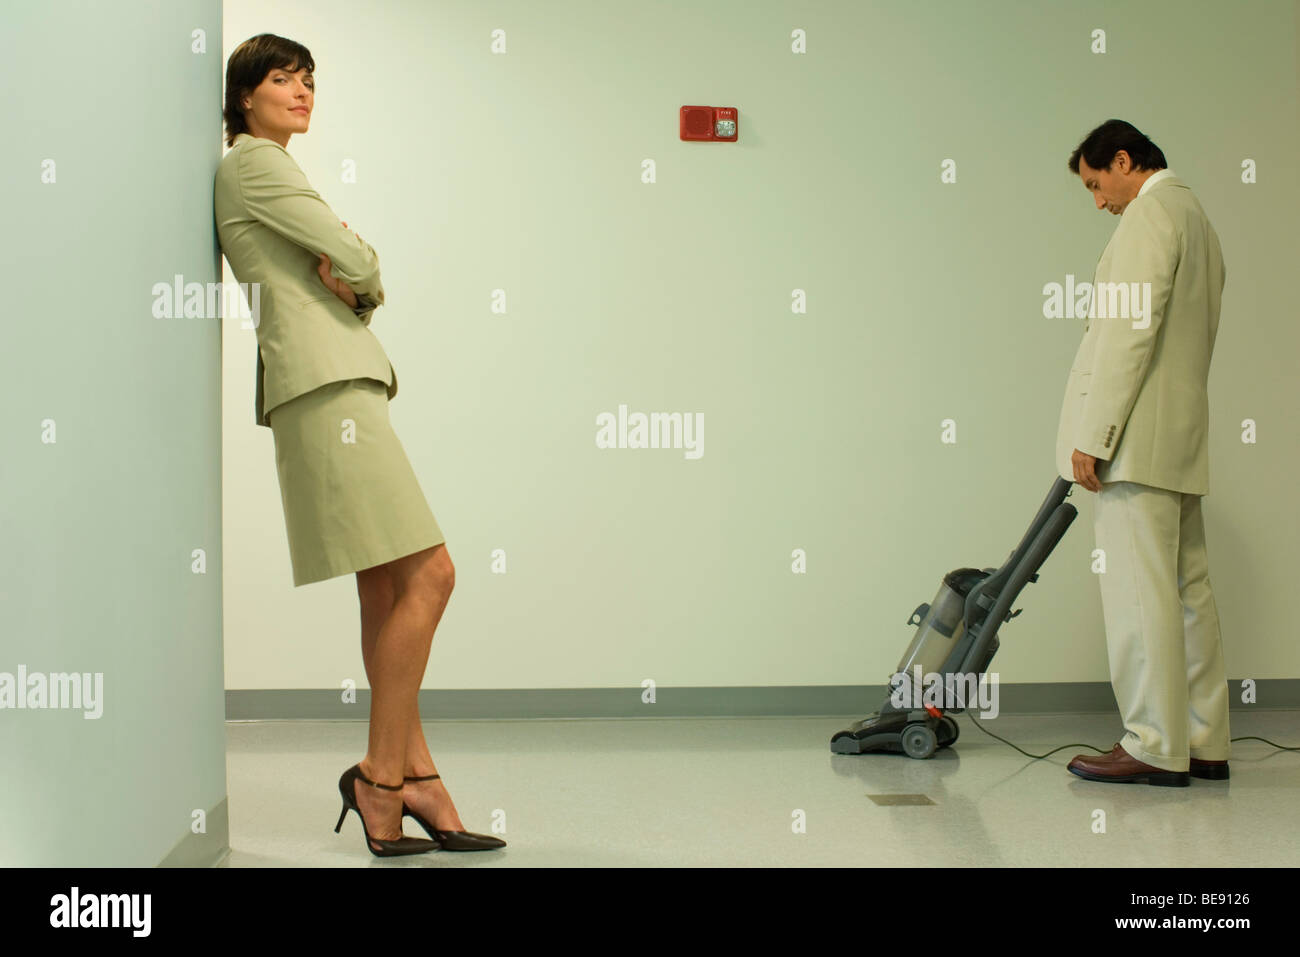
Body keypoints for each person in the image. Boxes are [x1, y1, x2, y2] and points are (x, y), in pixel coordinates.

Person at [215, 33, 504, 855]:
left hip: (322, 384)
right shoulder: (257, 165)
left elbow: (331, 264)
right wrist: (365, 273)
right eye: (283, 79)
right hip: (326, 383)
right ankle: (382, 777)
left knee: (387, 586)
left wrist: (348, 275)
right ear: (245, 98)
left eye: (309, 81)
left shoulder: (259, 167)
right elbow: (351, 257)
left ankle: (418, 776)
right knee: (433, 572)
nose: (302, 92)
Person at [1055, 119, 1229, 787]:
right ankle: (1204, 740)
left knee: (1138, 592)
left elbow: (1129, 334)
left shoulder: (1150, 215)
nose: (1099, 202)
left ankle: (1154, 742)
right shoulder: (1197, 217)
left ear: (1124, 160)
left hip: (1135, 440)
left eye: (1098, 184)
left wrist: (1094, 435)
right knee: (1189, 593)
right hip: (1181, 435)